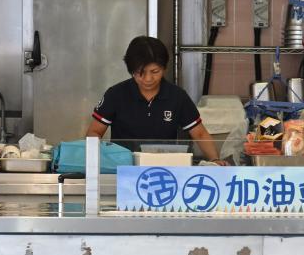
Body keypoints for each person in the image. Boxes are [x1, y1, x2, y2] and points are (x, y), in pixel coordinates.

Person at [86, 35, 225, 163]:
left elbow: (199, 134)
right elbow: (94, 132)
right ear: (131, 70)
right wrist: (96, 163)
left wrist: (215, 160)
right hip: (122, 168)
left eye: (155, 72)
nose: (148, 79)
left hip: (165, 168)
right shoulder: (116, 94)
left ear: (164, 68)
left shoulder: (177, 96)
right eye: (140, 73)